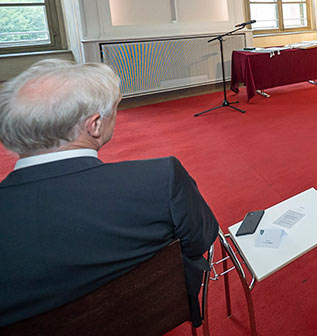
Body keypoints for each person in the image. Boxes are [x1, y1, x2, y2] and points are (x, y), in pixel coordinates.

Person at [0, 60, 218, 327]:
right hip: (148, 316)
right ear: (94, 125)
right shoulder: (160, 179)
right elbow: (201, 241)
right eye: (114, 109)